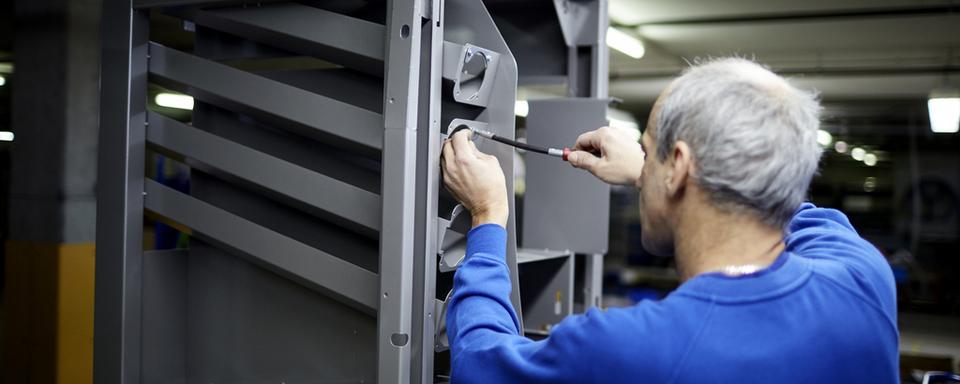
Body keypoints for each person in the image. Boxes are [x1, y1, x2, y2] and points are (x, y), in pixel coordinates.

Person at [440, 58, 898, 383]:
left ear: (678, 167)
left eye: (650, 148)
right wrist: (649, 172)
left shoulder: (634, 349)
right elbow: (788, 206)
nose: (645, 161)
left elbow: (481, 364)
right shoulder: (863, 278)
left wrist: (487, 217)